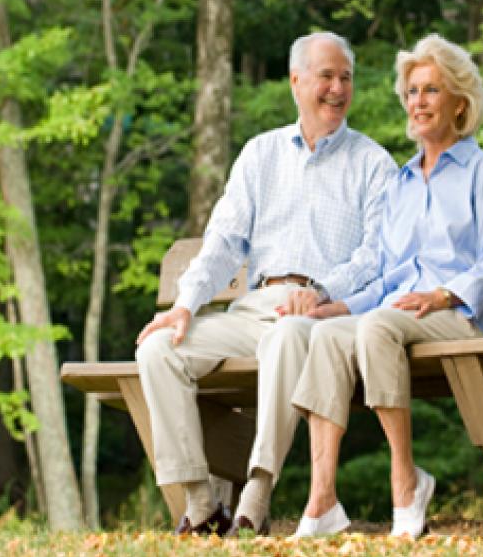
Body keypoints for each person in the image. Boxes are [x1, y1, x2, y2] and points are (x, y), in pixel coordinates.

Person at [134, 31, 397, 536]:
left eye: (346, 78)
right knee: (158, 349)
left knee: (286, 335)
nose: (338, 88)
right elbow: (222, 242)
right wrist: (185, 305)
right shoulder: (260, 154)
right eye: (326, 76)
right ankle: (201, 503)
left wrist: (321, 291)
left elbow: (375, 256)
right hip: (255, 308)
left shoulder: (373, 163)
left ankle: (255, 495)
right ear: (296, 82)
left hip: (324, 317)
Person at [288, 34, 483, 538]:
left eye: (432, 90)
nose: (418, 102)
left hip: (466, 318)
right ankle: (322, 500)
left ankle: (406, 481)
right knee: (327, 335)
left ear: (460, 102)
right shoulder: (402, 183)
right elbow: (388, 276)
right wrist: (337, 306)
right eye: (412, 92)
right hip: (399, 317)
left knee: (377, 327)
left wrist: (443, 295)